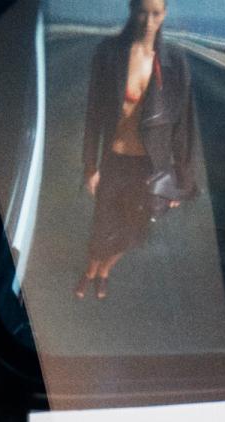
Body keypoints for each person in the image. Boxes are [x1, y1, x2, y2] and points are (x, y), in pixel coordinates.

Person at [75, 0, 197, 300]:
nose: (148, 21)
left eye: (156, 13)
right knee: (102, 226)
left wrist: (182, 181)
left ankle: (105, 271)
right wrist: (90, 166)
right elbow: (93, 114)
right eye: (143, 11)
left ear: (164, 14)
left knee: (134, 231)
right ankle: (90, 271)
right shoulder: (109, 54)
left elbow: (183, 124)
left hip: (150, 168)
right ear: (132, 10)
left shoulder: (175, 63)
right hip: (115, 160)